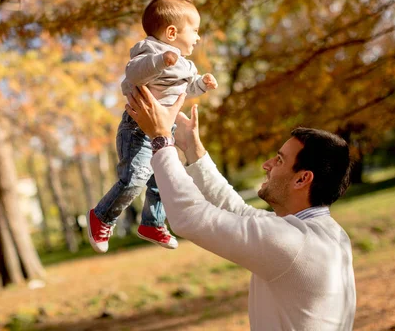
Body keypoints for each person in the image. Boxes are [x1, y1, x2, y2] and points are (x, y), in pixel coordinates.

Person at [125, 85, 356, 330]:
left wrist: (161, 139)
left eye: (279, 160)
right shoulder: (325, 234)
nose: (267, 165)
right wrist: (191, 146)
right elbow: (239, 211)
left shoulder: (293, 242)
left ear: (302, 179)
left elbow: (189, 217)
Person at [87, 0, 218, 253]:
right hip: (137, 129)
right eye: (195, 30)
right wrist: (160, 61)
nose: (198, 37)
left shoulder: (186, 65)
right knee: (135, 178)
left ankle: (152, 223)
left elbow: (185, 89)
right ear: (171, 32)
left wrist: (201, 84)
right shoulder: (150, 51)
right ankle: (102, 216)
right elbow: (134, 72)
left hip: (163, 130)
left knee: (163, 181)